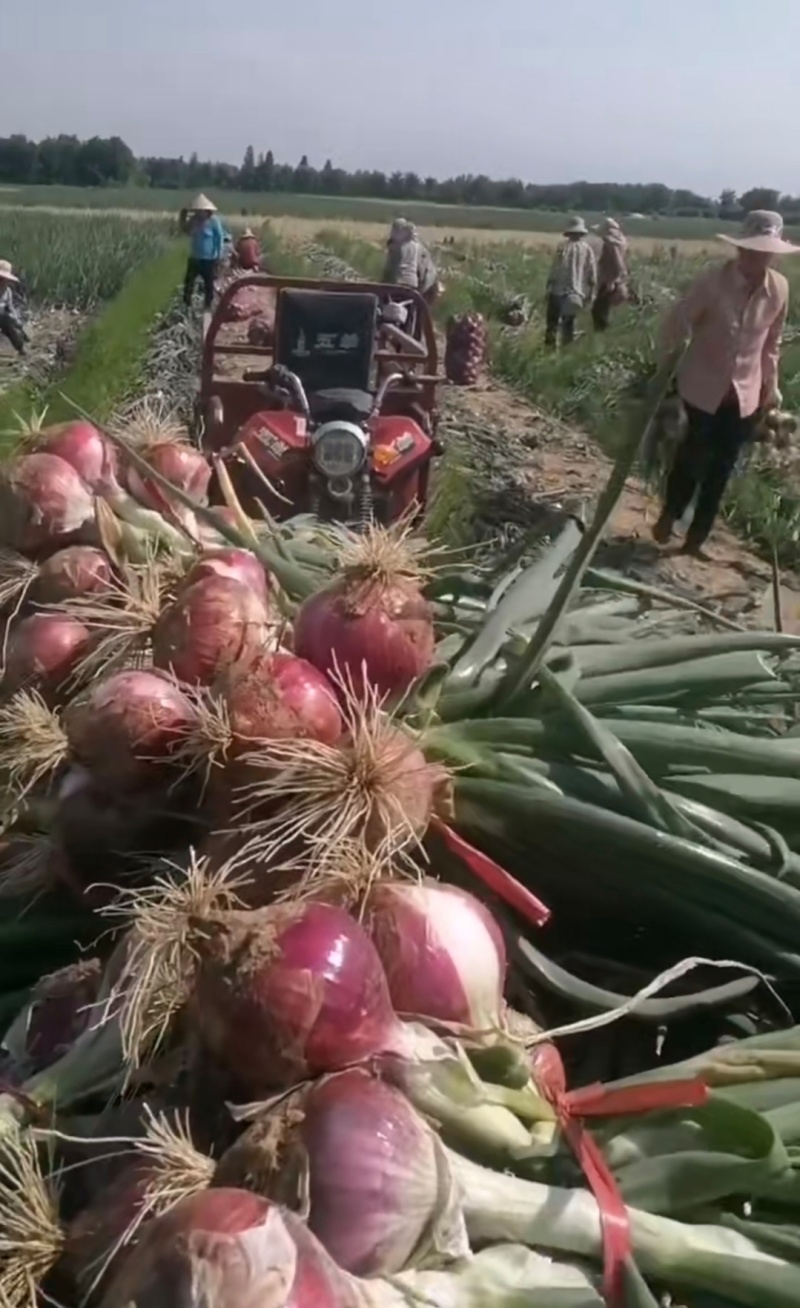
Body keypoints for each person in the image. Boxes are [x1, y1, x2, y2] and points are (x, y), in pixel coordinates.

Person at [652, 209, 799, 558]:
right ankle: (669, 515)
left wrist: (771, 386)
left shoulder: (778, 288)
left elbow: (771, 343)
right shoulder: (713, 283)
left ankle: (696, 538)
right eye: (754, 250)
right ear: (741, 249)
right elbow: (679, 319)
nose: (760, 257)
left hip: (746, 395)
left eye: (767, 252)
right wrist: (674, 350)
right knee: (690, 461)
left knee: (722, 469)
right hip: (702, 388)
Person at [545, 217, 597, 347]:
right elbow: (592, 274)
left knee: (552, 324)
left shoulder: (562, 247)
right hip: (575, 292)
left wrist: (548, 286)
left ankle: (549, 350)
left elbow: (555, 268)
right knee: (568, 324)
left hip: (558, 290)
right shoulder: (587, 249)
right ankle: (566, 352)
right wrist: (591, 293)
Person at [382, 219, 440, 305]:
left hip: (399, 283)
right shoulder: (416, 246)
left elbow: (389, 270)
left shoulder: (396, 247)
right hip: (413, 285)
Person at [183, 193, 225, 310]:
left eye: (201, 210)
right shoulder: (193, 221)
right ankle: (187, 303)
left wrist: (218, 253)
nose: (199, 213)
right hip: (195, 256)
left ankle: (208, 305)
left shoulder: (213, 221)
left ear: (206, 211)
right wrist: (183, 218)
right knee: (189, 281)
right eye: (197, 210)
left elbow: (219, 237)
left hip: (208, 258)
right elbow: (186, 231)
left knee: (208, 284)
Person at [592, 217, 628, 331]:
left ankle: (600, 335)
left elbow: (618, 263)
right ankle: (601, 334)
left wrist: (612, 280)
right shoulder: (620, 242)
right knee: (602, 309)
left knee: (599, 310)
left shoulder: (611, 244)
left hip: (609, 280)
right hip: (614, 279)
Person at [0, 259, 26, 356]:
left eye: (3, 279)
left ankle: (20, 347)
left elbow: (10, 309)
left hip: (1, 318)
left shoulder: (7, 292)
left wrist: (17, 323)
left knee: (8, 321)